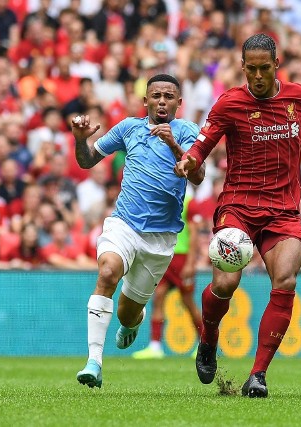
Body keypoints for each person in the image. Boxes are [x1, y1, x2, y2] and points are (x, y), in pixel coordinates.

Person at [174, 34, 301, 398]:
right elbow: (202, 145)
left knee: (286, 282)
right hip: (238, 208)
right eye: (252, 69)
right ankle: (208, 336)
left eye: (265, 68)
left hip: (282, 212)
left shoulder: (300, 97)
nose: (259, 76)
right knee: (225, 286)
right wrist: (190, 160)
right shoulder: (230, 103)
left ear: (276, 64)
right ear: (243, 67)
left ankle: (258, 375)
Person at [72, 74, 205, 388]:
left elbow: (197, 176)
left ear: (179, 103)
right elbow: (87, 161)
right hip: (124, 225)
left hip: (160, 240)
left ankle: (135, 321)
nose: (161, 101)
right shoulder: (128, 127)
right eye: (155, 95)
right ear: (146, 101)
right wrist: (80, 139)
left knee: (127, 314)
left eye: (168, 96)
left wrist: (172, 144)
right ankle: (94, 362)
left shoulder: (189, 133)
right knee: (107, 273)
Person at [132, 193, 202, 359]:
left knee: (188, 301)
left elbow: (194, 234)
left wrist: (191, 262)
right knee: (158, 297)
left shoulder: (189, 202)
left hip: (181, 257)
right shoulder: (162, 195)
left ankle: (204, 344)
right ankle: (155, 346)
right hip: (164, 255)